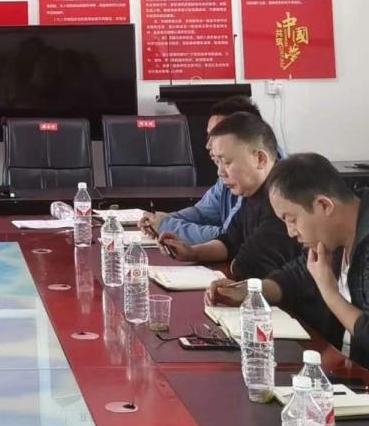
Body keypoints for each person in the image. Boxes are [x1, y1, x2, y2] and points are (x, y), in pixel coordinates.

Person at [207, 154, 368, 365]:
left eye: (291, 220)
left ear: (324, 205)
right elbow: (297, 275)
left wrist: (330, 293)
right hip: (339, 365)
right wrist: (250, 292)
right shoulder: (335, 235)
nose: (291, 232)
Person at [157, 112, 301, 279]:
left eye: (227, 162)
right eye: (218, 162)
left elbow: (246, 266)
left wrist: (235, 261)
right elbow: (229, 242)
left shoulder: (284, 200)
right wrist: (191, 252)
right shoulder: (252, 193)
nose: (220, 172)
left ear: (260, 159)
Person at [140, 96, 262, 244]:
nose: (208, 145)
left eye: (216, 136)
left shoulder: (263, 180)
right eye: (209, 135)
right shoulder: (228, 172)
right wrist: (162, 220)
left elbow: (229, 238)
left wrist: (167, 225)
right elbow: (202, 213)